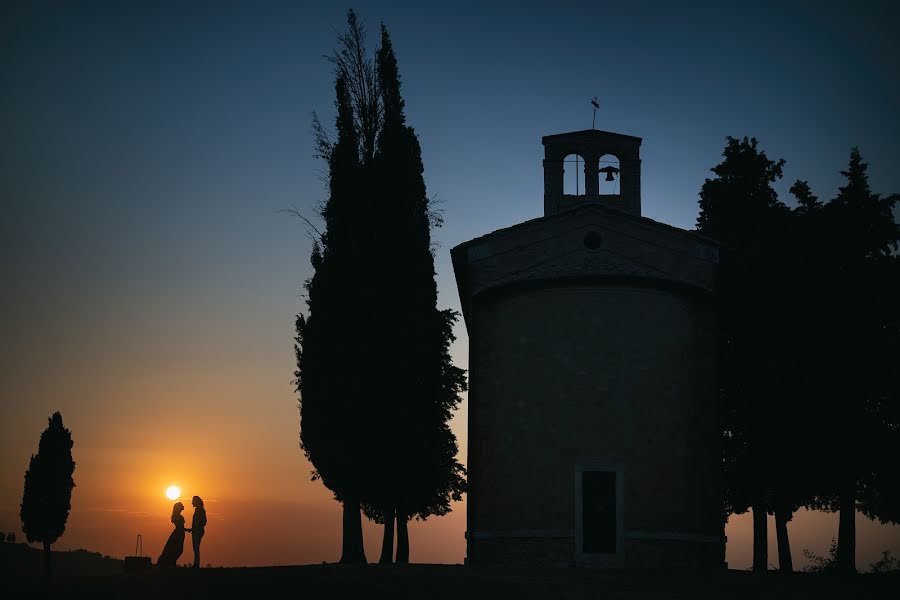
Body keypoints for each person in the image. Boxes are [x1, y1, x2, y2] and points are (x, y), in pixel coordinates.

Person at [157, 502, 186, 567]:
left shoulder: (177, 516)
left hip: (179, 533)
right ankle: (171, 562)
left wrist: (186, 530)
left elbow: (180, 527)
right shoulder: (178, 516)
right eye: (182, 506)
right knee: (177, 549)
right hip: (179, 534)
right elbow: (180, 527)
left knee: (176, 549)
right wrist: (186, 530)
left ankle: (172, 562)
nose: (183, 506)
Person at [185, 495, 206, 568]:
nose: (192, 503)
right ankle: (196, 564)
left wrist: (197, 528)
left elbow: (203, 521)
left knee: (196, 548)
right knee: (195, 548)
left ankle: (196, 564)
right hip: (196, 531)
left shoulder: (200, 510)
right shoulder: (199, 509)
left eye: (193, 501)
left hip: (198, 531)